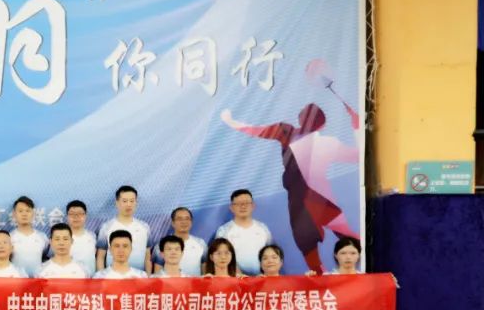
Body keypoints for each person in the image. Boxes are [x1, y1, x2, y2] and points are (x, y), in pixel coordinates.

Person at [221, 103, 361, 273]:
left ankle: (349, 277)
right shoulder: (291, 134)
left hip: (317, 201)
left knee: (340, 244)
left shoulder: (316, 140)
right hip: (302, 202)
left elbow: (358, 157)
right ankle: (323, 281)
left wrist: (231, 122)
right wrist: (356, 126)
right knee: (314, 253)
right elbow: (357, 156)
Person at [213, 189, 273, 276]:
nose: (243, 206)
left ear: (253, 206)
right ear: (231, 208)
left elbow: (270, 252)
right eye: (238, 204)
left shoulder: (263, 228)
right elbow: (220, 257)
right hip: (236, 279)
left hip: (262, 278)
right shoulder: (223, 231)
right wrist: (241, 276)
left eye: (246, 203)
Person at [97, 185, 151, 272]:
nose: (129, 204)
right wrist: (102, 277)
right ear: (117, 203)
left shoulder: (145, 227)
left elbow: (148, 257)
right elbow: (100, 257)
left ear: (136, 203)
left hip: (138, 278)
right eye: (125, 201)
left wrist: (148, 276)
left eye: (132, 201)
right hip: (113, 277)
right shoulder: (106, 227)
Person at [152, 207, 206, 276]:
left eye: (187, 219)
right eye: (179, 219)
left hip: (194, 282)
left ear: (191, 222)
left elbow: (204, 272)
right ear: (173, 223)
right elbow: (158, 273)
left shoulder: (201, 244)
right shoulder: (162, 244)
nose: (184, 222)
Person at [9, 196, 49, 277]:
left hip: (38, 280)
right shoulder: (9, 237)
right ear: (14, 214)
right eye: (20, 211)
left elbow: (45, 256)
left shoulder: (42, 237)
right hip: (17, 280)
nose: (24, 214)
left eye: (28, 211)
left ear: (33, 213)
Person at [62, 200, 96, 276]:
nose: (76, 217)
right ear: (67, 216)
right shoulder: (61, 238)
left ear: (85, 216)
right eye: (72, 214)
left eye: (80, 214)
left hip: (91, 279)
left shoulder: (92, 236)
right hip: (68, 278)